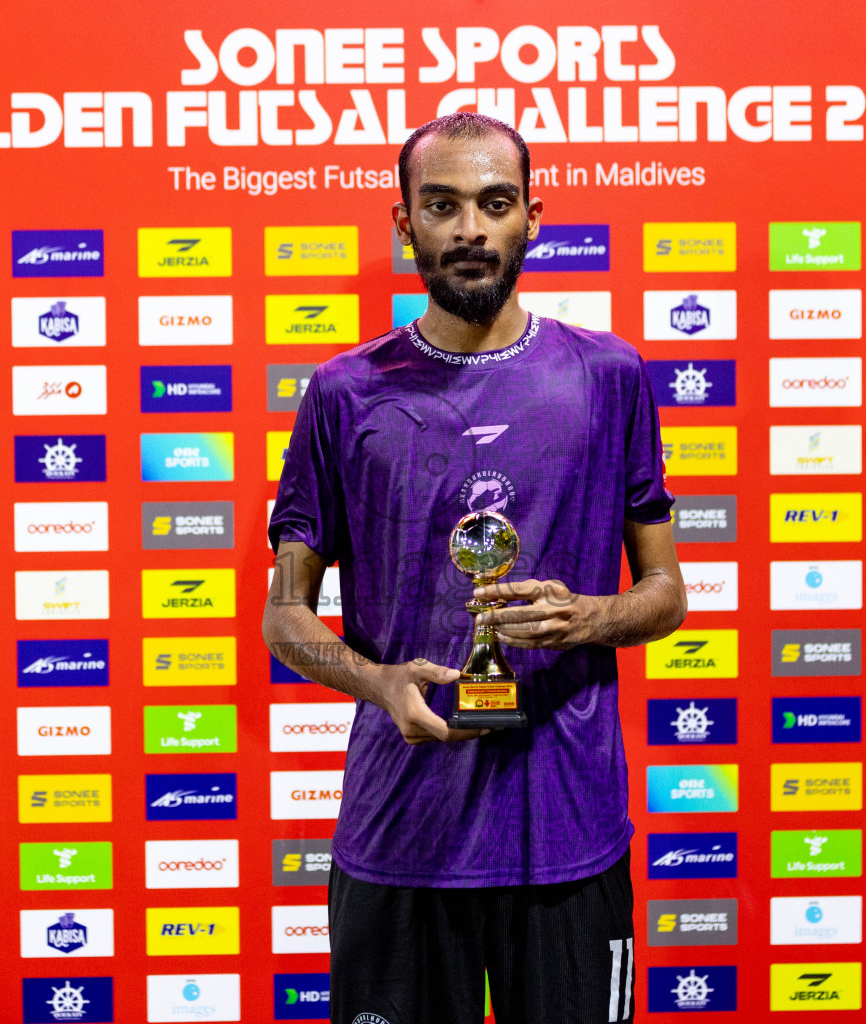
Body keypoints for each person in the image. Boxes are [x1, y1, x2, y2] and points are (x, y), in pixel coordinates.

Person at [263, 111, 687, 1024]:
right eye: (442, 205)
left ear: (533, 217)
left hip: (568, 835)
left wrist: (589, 618)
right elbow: (285, 617)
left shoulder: (608, 375)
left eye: (494, 204)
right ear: (402, 223)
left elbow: (665, 593)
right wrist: (378, 682)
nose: (469, 229)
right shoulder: (343, 394)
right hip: (402, 835)